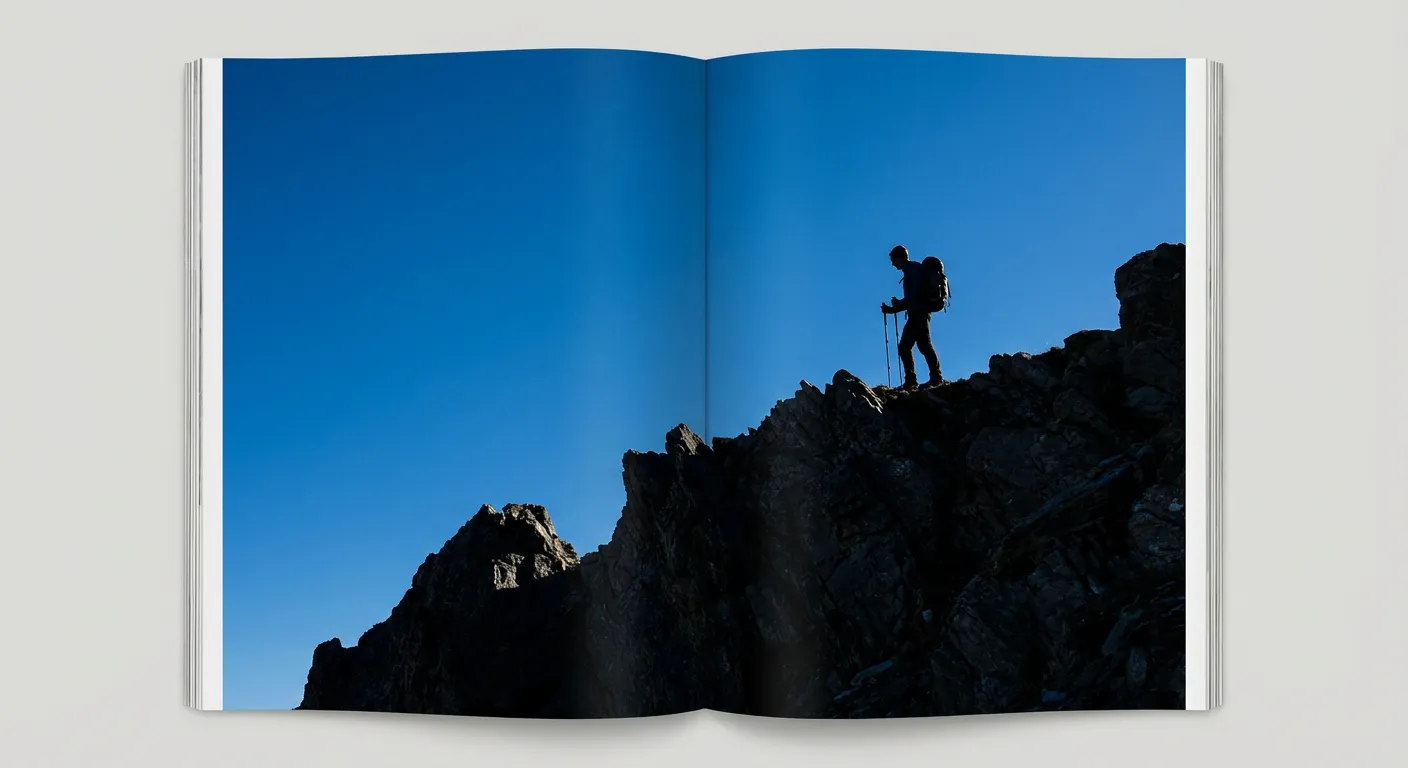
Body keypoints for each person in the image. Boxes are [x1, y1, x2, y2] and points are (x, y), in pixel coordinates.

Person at [881, 244, 941, 390]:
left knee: (905, 346)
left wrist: (895, 307)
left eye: (893, 260)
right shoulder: (912, 270)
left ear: (900, 258)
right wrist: (897, 307)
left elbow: (915, 295)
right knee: (923, 345)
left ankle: (914, 381)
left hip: (918, 313)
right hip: (920, 312)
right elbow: (914, 296)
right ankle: (933, 377)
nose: (893, 264)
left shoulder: (913, 270)